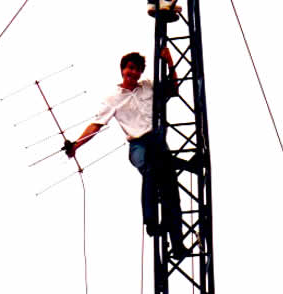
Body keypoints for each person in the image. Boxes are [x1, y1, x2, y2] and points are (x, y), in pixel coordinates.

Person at [64, 48, 192, 259]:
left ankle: (177, 244)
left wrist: (170, 64)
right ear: (123, 70)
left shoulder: (148, 87)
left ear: (141, 73)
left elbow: (173, 89)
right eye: (129, 68)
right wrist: (76, 145)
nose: (132, 73)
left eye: (136, 69)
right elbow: (96, 125)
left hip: (158, 143)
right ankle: (151, 221)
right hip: (139, 146)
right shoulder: (113, 99)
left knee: (171, 194)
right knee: (151, 169)